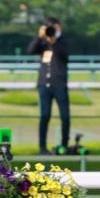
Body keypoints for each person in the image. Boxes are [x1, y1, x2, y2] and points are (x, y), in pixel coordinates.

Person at [27, 16, 70, 155]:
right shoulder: (43, 43)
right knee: (44, 115)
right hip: (44, 84)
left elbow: (65, 55)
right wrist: (39, 37)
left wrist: (54, 41)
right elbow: (30, 50)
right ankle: (42, 147)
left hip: (60, 83)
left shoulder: (62, 42)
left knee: (65, 116)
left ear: (59, 27)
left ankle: (64, 144)